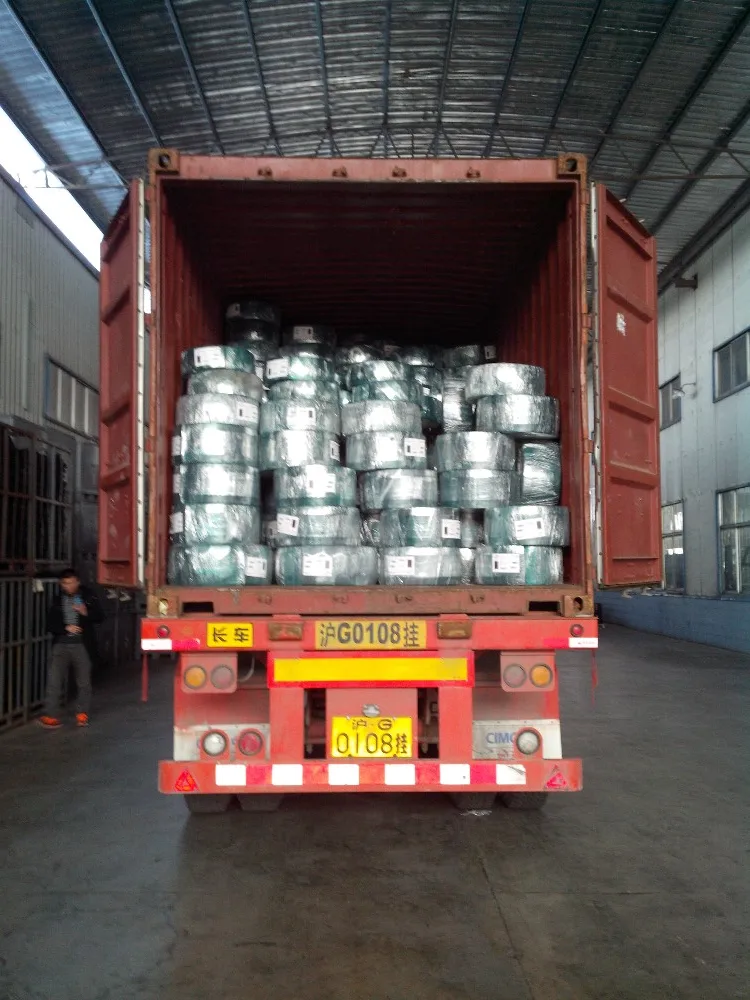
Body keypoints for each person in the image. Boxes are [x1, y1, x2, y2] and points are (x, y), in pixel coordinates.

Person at [39, 568, 104, 729]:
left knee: (84, 681)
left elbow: (100, 616)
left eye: (71, 582)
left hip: (82, 644)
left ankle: (82, 714)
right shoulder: (57, 600)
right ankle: (51, 715)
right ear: (61, 584)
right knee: (54, 680)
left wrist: (85, 612)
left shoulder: (88, 596)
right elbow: (49, 623)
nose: (69, 586)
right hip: (60, 644)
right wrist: (65, 628)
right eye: (65, 583)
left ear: (78, 582)